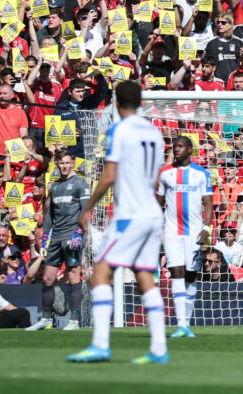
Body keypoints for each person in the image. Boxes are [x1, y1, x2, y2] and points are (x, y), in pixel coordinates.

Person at [68, 81, 170, 365]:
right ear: (140, 101)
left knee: (99, 275)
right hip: (152, 212)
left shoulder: (119, 130)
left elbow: (109, 174)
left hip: (130, 213)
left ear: (115, 100)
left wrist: (88, 208)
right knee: (146, 279)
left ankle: (100, 344)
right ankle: (159, 349)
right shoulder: (154, 132)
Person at [156, 135, 214, 339]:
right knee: (177, 272)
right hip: (172, 231)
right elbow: (158, 202)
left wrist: (206, 228)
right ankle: (181, 324)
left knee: (190, 276)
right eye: (174, 147)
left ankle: (186, 322)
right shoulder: (165, 173)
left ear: (190, 149)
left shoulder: (201, 174)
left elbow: (208, 204)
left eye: (180, 146)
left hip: (195, 232)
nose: (176, 149)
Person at [26, 152, 90, 332]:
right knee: (47, 278)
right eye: (61, 163)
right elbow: (49, 215)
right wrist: (45, 237)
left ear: (73, 163)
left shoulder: (80, 183)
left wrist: (78, 233)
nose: (65, 166)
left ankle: (75, 320)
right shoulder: (54, 187)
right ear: (57, 165)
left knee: (72, 275)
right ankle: (46, 319)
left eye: (68, 163)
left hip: (72, 236)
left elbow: (85, 210)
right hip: (56, 237)